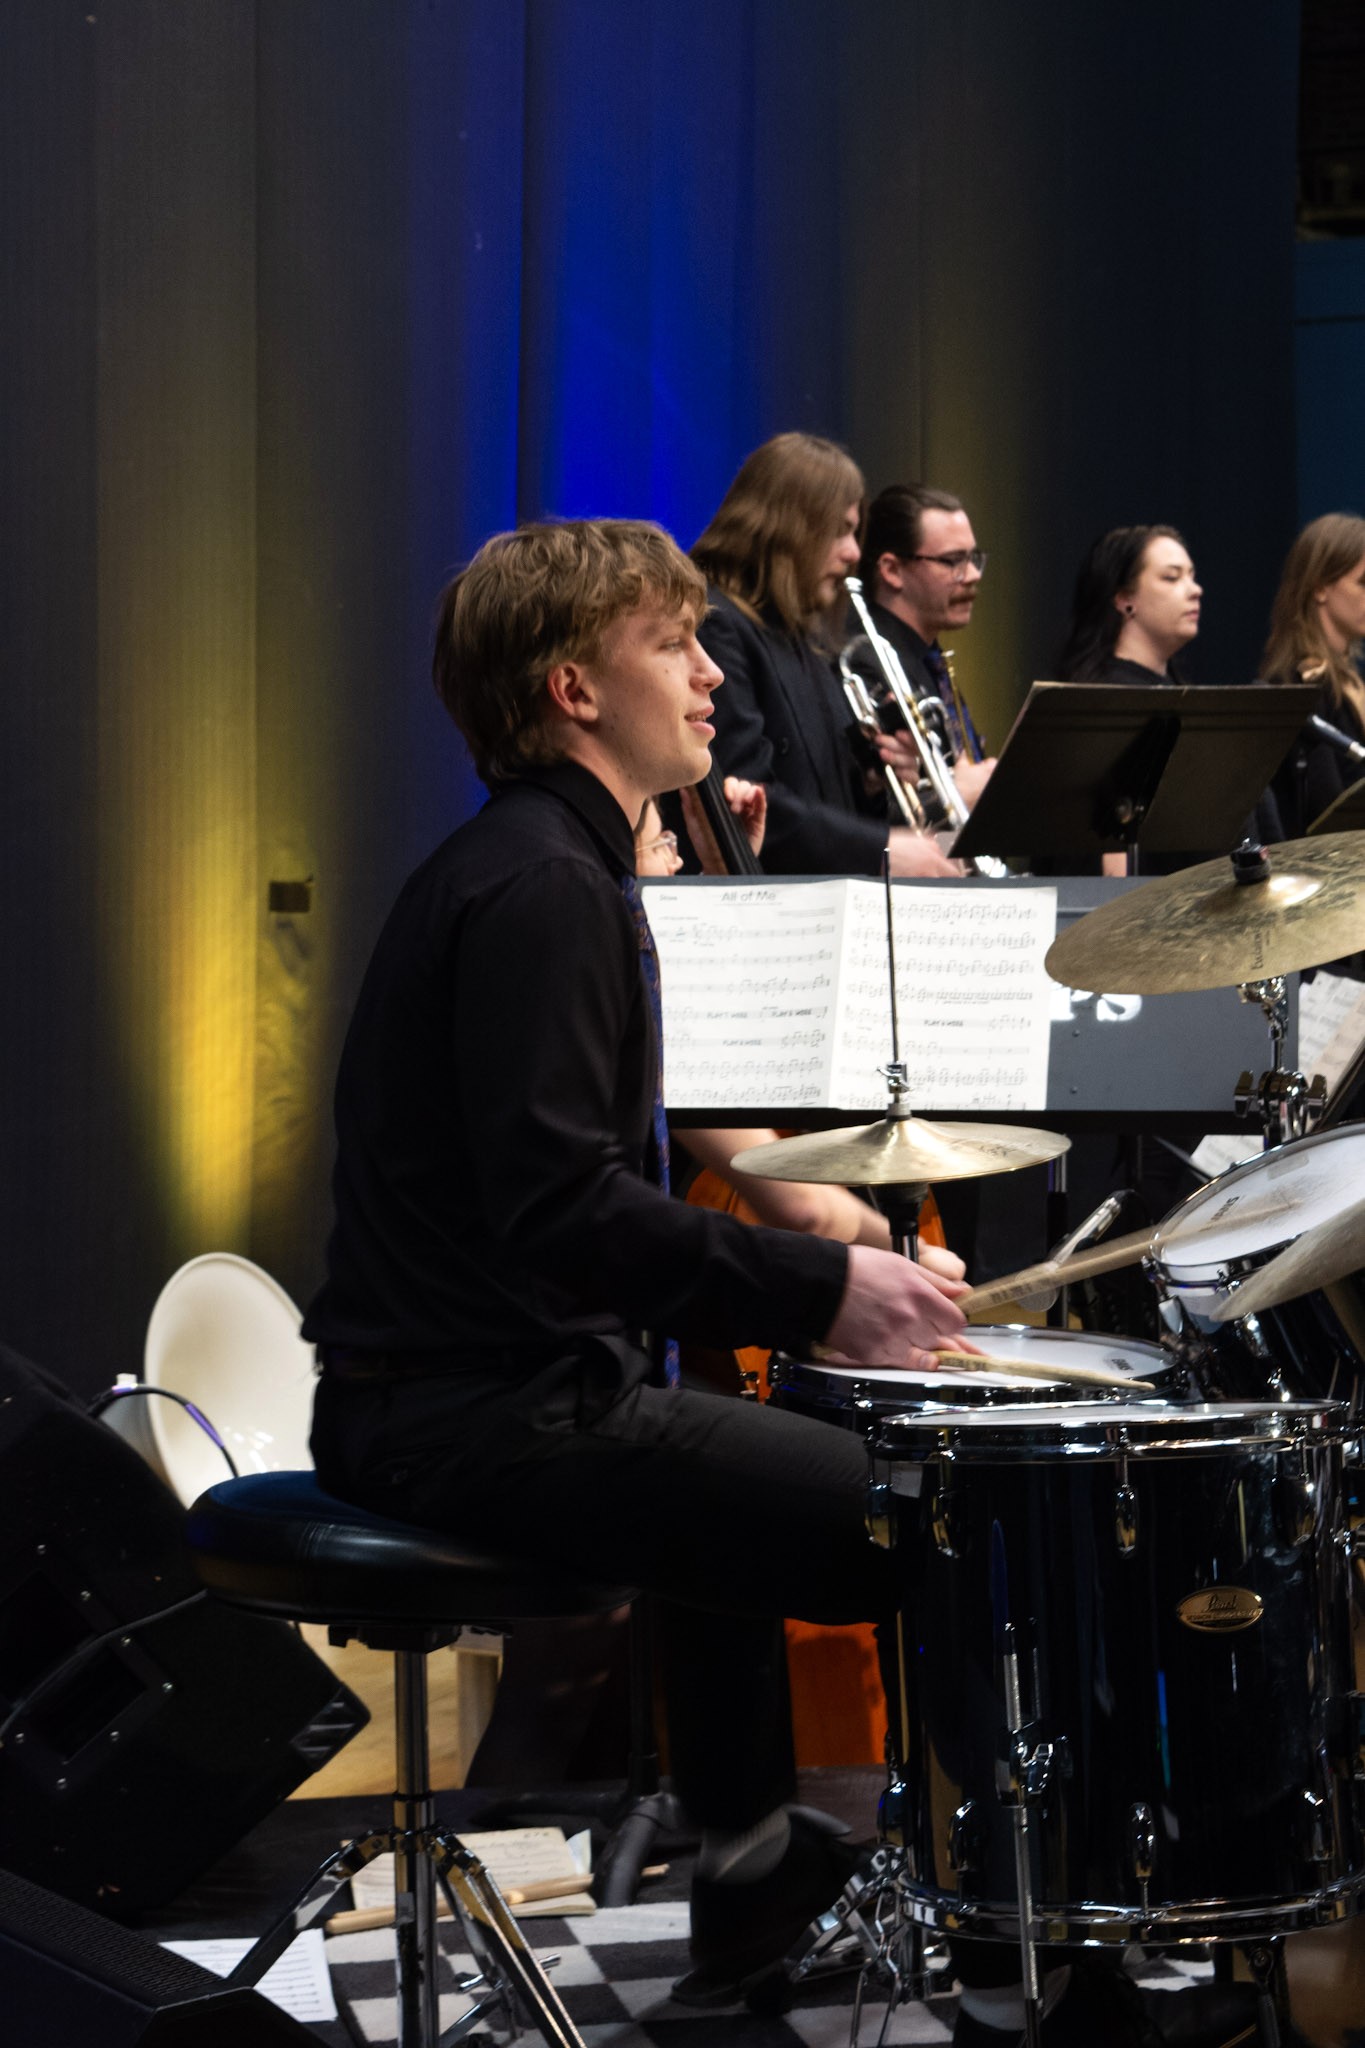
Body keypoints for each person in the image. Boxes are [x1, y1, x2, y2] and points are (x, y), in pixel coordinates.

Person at [301, 518, 971, 2006]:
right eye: (671, 644)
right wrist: (831, 1290)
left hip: (478, 1399)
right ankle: (999, 1918)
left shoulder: (549, 865)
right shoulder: (542, 888)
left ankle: (742, 1868)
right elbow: (565, 1213)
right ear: (571, 690)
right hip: (479, 1420)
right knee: (951, 1524)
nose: (709, 674)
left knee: (745, 1469)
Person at [690, 433, 957, 876]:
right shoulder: (719, 629)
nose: (854, 552)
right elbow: (743, 795)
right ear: (786, 527)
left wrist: (874, 781)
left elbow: (820, 794)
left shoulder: (805, 641)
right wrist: (884, 847)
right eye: (840, 532)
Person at [852, 483, 997, 814]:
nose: (973, 575)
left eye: (973, 558)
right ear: (891, 570)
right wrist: (959, 796)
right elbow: (887, 812)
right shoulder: (870, 664)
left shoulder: (929, 656)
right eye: (952, 561)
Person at [1262, 511, 1365, 840]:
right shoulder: (1298, 686)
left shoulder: (1345, 682)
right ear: (1320, 588)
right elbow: (1329, 811)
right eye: (1363, 582)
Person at [1056, 523, 1202, 686]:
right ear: (1124, 599)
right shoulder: (1101, 699)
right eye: (1171, 577)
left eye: (1191, 576)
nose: (1196, 590)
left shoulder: (1173, 690)